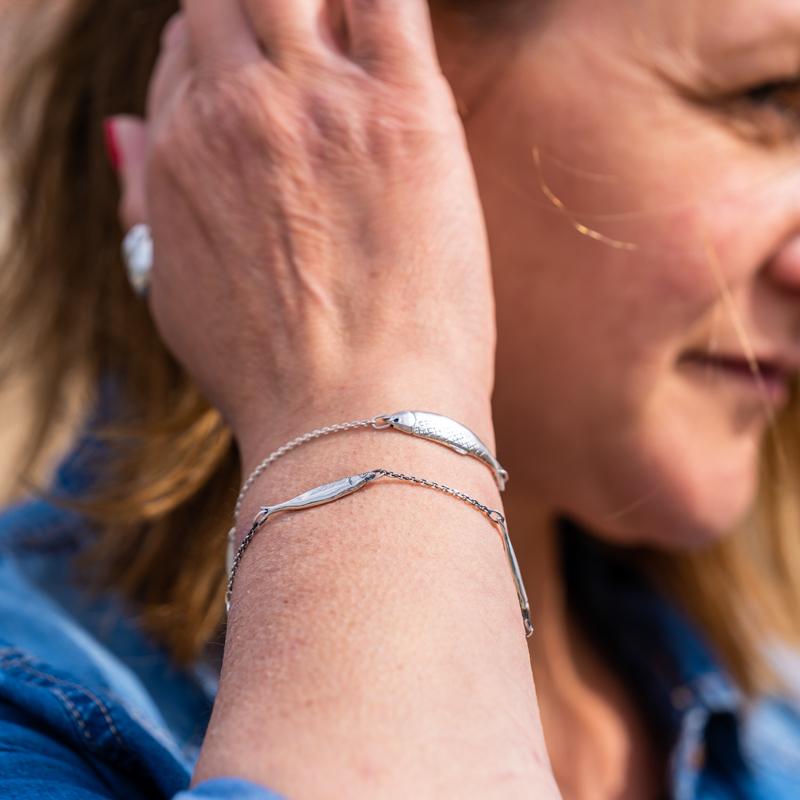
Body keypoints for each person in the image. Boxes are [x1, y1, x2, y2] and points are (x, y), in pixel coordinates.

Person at [1, 0, 799, 797]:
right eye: (768, 98)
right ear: (333, 53)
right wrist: (357, 384)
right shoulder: (36, 730)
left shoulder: (773, 714)